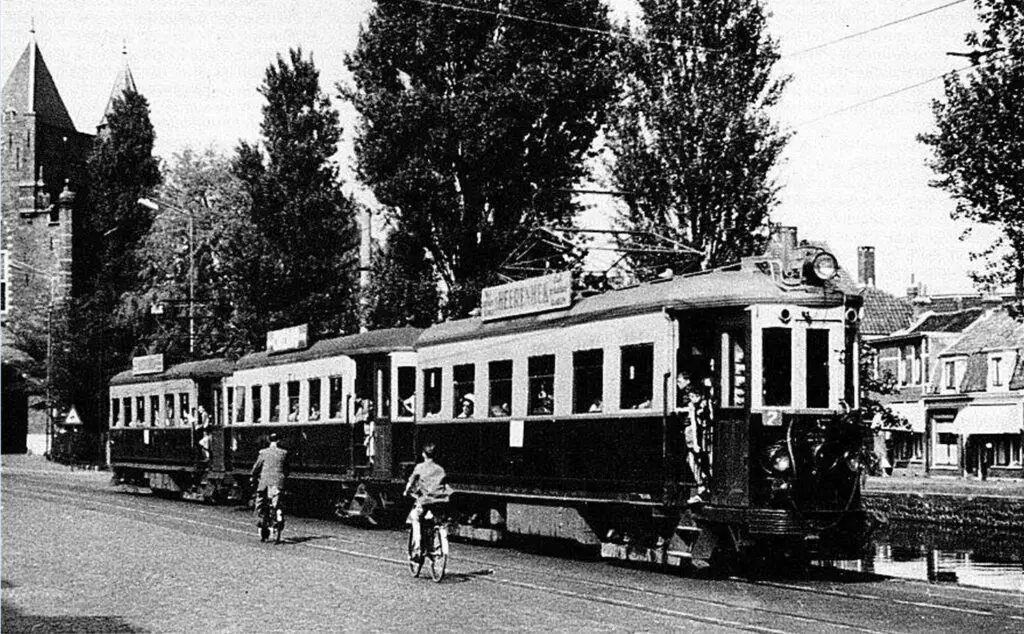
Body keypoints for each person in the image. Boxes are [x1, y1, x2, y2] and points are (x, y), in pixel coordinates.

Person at [403, 442, 451, 559]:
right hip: (440, 501)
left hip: (425, 500)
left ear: (424, 454)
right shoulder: (440, 469)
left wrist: (406, 492)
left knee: (416, 518)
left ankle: (417, 549)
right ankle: (435, 543)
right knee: (437, 521)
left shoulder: (419, 467)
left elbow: (410, 483)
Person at [251, 433, 288, 530]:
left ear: (268, 440)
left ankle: (261, 520)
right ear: (279, 441)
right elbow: (287, 468)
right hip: (278, 482)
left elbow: (256, 467)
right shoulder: (284, 453)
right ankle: (278, 517)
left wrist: (253, 476)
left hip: (265, 482)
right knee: (279, 501)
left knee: (260, 501)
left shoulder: (263, 452)